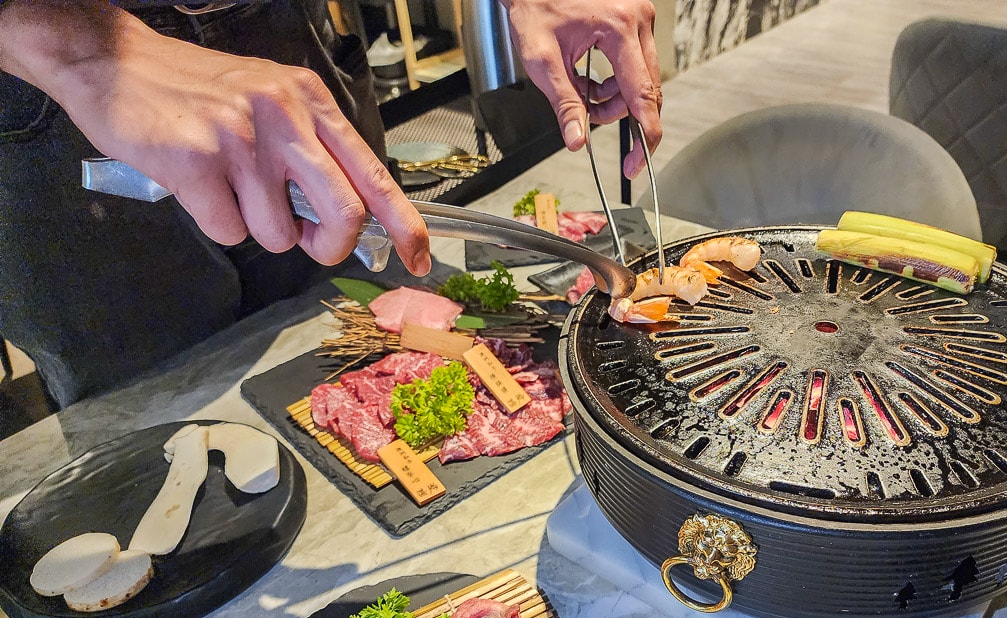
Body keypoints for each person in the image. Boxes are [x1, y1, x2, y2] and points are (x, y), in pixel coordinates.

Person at [0, 0, 661, 407]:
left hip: (287, 46)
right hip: (57, 99)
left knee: (376, 355)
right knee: (149, 430)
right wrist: (72, 43)